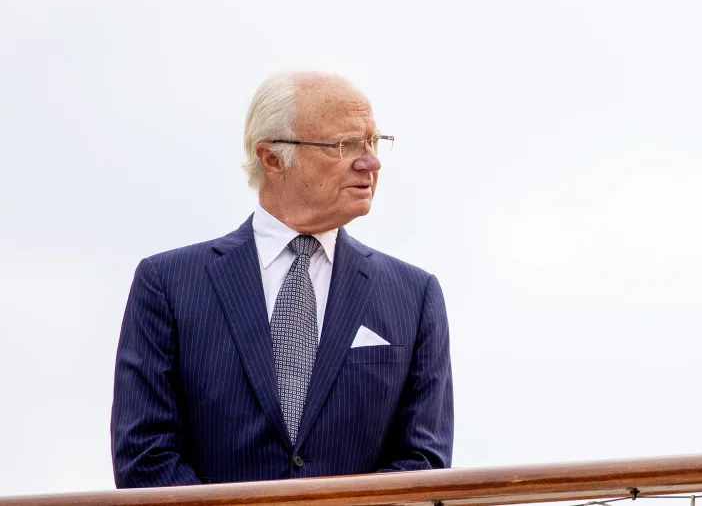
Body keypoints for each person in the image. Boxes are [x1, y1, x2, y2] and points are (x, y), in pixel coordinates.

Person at [111, 72, 453, 487]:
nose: (370, 161)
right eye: (343, 145)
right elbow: (145, 455)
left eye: (373, 141)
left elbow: (423, 464)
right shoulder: (166, 284)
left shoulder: (415, 296)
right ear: (272, 158)